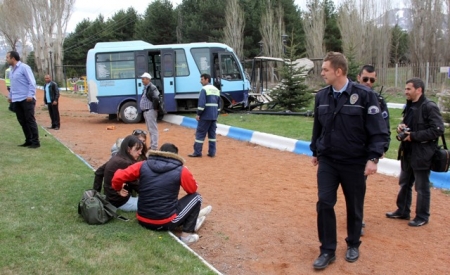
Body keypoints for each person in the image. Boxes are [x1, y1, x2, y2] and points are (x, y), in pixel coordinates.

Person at [310, 52, 389, 269]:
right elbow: (318, 127)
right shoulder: (321, 96)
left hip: (354, 161)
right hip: (328, 160)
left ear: (339, 71)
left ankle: (353, 243)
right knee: (324, 202)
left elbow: (378, 130)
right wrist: (315, 150)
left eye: (325, 69)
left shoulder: (364, 96)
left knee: (354, 205)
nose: (322, 73)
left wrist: (373, 158)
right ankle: (327, 250)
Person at [112, 143, 213, 245]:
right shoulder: (181, 170)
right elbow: (192, 189)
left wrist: (118, 188)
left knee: (171, 202)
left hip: (142, 218)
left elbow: (118, 176)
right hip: (163, 222)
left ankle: (191, 221)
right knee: (197, 198)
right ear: (176, 156)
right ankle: (186, 237)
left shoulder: (143, 164)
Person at [386, 77, 444, 227]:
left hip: (423, 153)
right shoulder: (410, 105)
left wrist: (414, 136)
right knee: (404, 182)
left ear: (419, 90)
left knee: (421, 187)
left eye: (408, 89)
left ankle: (422, 216)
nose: (406, 91)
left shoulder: (429, 106)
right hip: (408, 152)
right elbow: (410, 125)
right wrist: (402, 127)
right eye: (405, 89)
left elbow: (438, 129)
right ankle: (403, 210)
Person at [356, 65, 391, 236]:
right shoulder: (351, 96)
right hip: (348, 149)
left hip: (365, 151)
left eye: (372, 80)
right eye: (365, 79)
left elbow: (385, 126)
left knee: (359, 186)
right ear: (358, 77)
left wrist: (382, 148)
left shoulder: (379, 100)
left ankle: (357, 219)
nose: (368, 83)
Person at [93, 135, 143, 211]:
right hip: (120, 202)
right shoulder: (124, 162)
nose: (140, 153)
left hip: (111, 198)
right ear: (128, 149)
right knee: (153, 203)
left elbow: (99, 172)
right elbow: (137, 185)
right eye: (137, 150)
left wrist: (96, 194)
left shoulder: (117, 157)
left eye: (140, 150)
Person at [6, 51, 40, 148]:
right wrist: (10, 96)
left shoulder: (24, 67)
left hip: (26, 99)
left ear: (13, 58)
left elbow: (32, 82)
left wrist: (30, 95)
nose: (6, 59)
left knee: (30, 120)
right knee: (22, 121)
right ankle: (28, 140)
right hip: (16, 99)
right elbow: (13, 85)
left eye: (8, 57)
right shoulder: (11, 70)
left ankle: (35, 141)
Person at [188, 73, 221, 158]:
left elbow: (201, 104)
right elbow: (219, 106)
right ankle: (212, 152)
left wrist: (198, 114)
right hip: (214, 116)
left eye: (202, 79)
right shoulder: (216, 90)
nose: (200, 81)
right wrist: (216, 115)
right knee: (212, 136)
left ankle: (197, 152)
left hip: (205, 116)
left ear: (207, 79)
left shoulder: (204, 89)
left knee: (200, 134)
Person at [139, 72, 159, 150]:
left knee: (153, 129)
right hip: (147, 111)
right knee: (150, 129)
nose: (142, 80)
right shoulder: (146, 87)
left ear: (148, 79)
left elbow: (156, 98)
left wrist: (154, 108)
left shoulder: (152, 87)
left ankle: (154, 146)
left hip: (150, 111)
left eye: (143, 79)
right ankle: (152, 144)